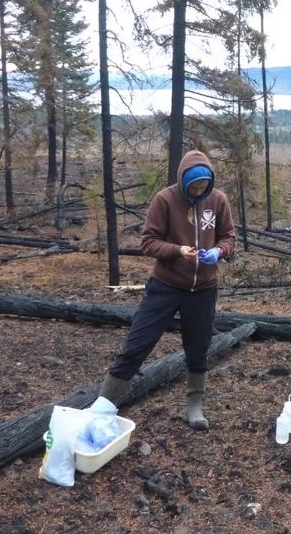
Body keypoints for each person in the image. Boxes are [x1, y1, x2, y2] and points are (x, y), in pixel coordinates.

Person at [98, 150, 236, 430]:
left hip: (204, 289)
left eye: (203, 185)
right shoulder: (165, 199)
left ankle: (194, 407)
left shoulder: (218, 200)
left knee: (198, 349)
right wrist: (177, 250)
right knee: (137, 345)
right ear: (183, 181)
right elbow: (148, 242)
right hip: (165, 287)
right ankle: (103, 407)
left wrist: (218, 251)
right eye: (194, 186)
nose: (199, 190)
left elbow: (228, 237)